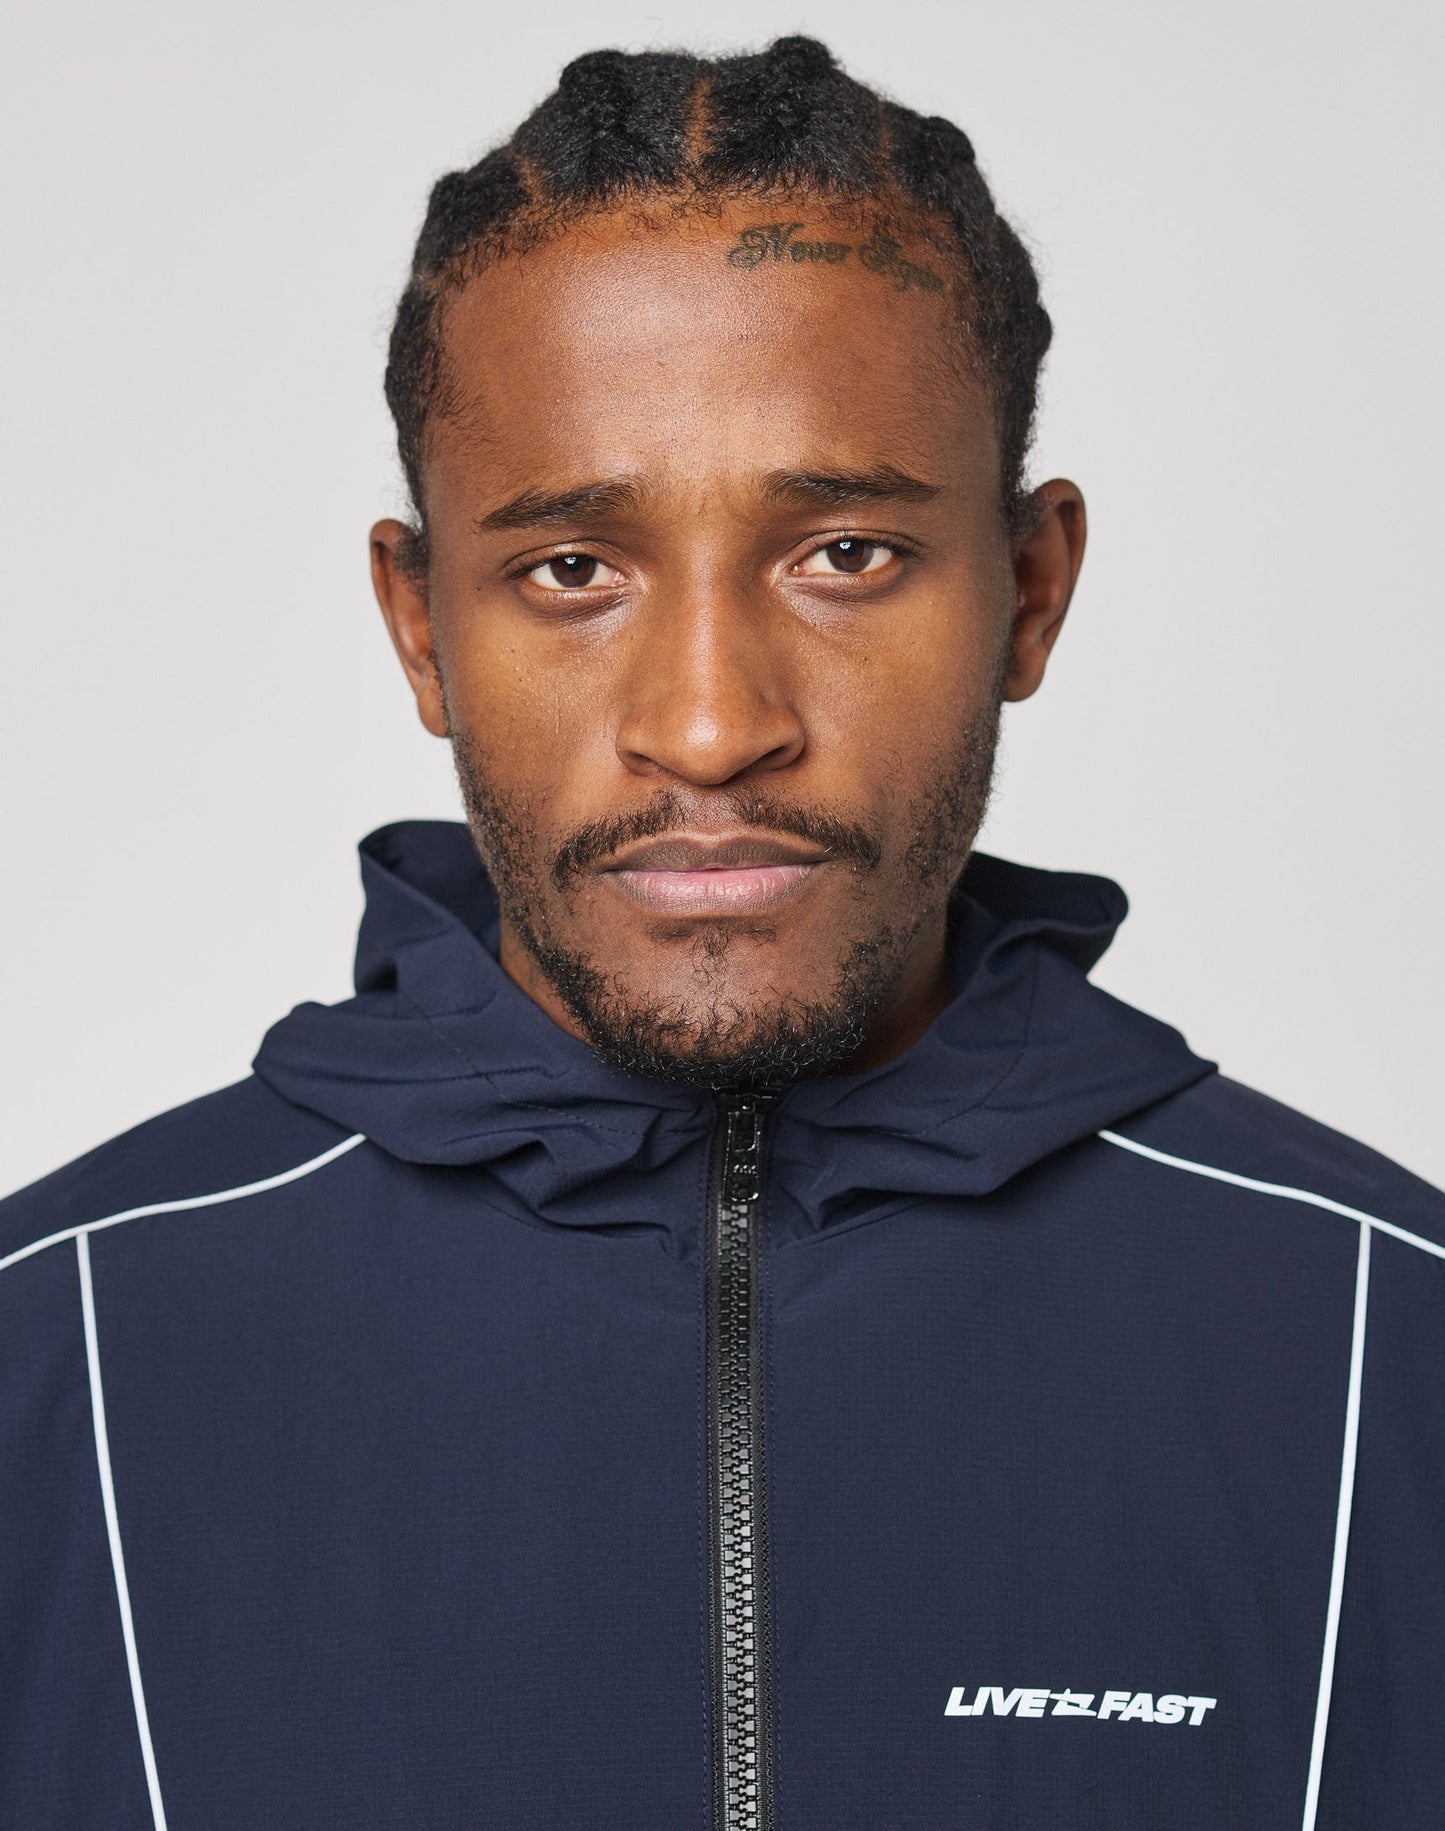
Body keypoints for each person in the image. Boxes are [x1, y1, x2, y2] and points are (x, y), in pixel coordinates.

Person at [1, 33, 1440, 1830]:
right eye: (569, 571)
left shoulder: (1401, 1343)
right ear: (422, 627)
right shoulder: (47, 1356)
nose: (704, 723)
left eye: (843, 552)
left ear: (1031, 590)